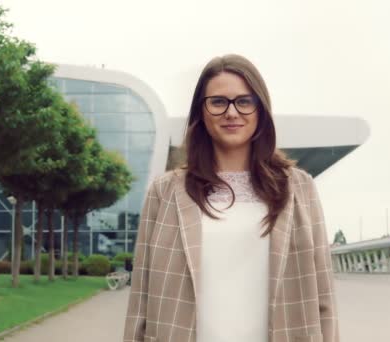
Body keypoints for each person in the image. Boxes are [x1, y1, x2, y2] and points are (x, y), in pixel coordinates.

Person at [123, 54, 339, 342]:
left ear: (261, 110)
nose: (232, 113)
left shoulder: (299, 189)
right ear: (201, 112)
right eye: (218, 102)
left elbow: (323, 297)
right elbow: (141, 301)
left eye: (244, 101)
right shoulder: (164, 192)